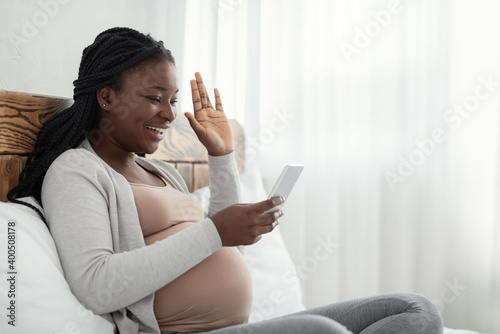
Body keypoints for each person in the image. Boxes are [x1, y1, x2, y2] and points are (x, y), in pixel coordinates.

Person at [8, 27, 443, 334]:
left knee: (413, 311)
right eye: (154, 98)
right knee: (321, 332)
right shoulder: (76, 170)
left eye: (173, 100)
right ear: (106, 96)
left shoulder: (159, 170)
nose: (169, 113)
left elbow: (220, 240)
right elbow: (98, 285)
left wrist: (221, 154)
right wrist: (217, 231)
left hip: (240, 326)